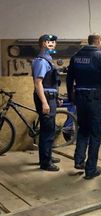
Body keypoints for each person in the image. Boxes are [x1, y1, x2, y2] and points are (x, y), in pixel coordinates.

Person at [66, 33, 101, 180]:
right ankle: (91, 169)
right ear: (99, 42)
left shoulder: (76, 56)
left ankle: (79, 160)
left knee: (83, 130)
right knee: (95, 134)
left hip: (80, 97)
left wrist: (71, 96)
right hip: (95, 99)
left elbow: (69, 78)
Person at [32, 34, 61, 172]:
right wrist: (44, 103)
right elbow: (38, 83)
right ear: (43, 44)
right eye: (50, 42)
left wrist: (57, 97)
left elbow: (52, 83)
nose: (53, 44)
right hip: (46, 98)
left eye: (54, 42)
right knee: (47, 131)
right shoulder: (41, 61)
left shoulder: (48, 59)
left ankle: (47, 155)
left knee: (50, 129)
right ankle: (45, 162)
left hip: (51, 97)